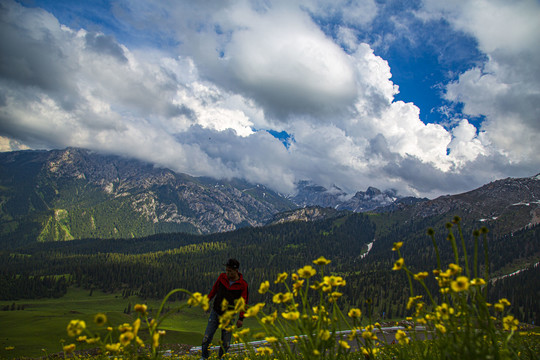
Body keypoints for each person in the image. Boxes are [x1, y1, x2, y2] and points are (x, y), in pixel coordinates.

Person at [200, 258, 249, 359]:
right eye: (226, 270)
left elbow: (243, 302)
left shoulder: (243, 285)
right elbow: (214, 290)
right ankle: (204, 357)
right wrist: (207, 300)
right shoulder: (222, 277)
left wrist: (241, 318)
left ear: (236, 271)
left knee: (225, 342)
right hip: (215, 312)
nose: (227, 273)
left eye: (230, 271)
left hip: (229, 316)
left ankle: (221, 358)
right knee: (207, 337)